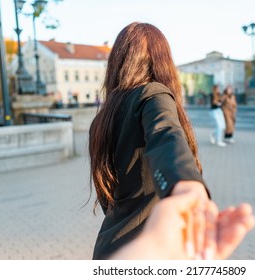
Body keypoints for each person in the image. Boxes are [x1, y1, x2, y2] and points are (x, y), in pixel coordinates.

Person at [89, 22, 211, 259]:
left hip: (110, 246)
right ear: (162, 59)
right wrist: (186, 183)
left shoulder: (104, 117)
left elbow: (108, 195)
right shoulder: (153, 94)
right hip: (148, 250)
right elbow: (166, 136)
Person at [110, 192, 255, 260]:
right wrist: (189, 184)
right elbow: (165, 133)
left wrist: (155, 250)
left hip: (113, 241)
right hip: (133, 240)